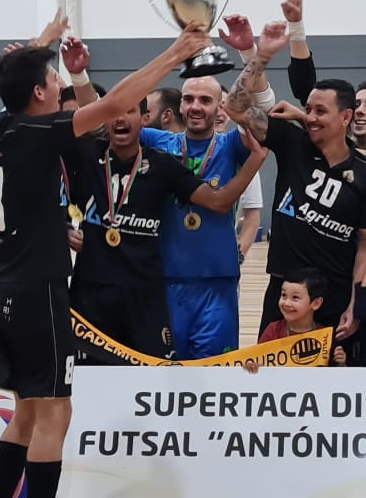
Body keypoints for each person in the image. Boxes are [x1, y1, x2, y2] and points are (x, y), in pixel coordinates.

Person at [0, 15, 213, 498]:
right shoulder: (38, 132)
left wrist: (40, 46)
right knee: (55, 412)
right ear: (39, 94)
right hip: (36, 293)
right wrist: (176, 52)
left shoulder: (2, 127)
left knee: (26, 412)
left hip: (4, 291)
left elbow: (25, 83)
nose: (58, 86)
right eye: (51, 78)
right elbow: (119, 100)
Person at [222, 22, 366, 342]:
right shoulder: (291, 142)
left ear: (346, 117)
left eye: (320, 111)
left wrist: (357, 303)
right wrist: (261, 56)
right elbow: (234, 107)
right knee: (271, 384)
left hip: (334, 297)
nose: (309, 117)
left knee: (332, 386)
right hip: (283, 294)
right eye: (308, 109)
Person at [72, 92, 262, 360]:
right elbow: (47, 190)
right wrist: (62, 228)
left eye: (129, 112)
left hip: (146, 296)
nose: (120, 120)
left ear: (145, 120)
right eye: (113, 112)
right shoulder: (87, 155)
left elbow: (218, 202)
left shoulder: (163, 165)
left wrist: (256, 159)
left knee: (154, 377)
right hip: (91, 295)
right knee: (88, 382)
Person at [142, 72, 259, 360]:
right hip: (165, 280)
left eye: (206, 100)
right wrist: (78, 75)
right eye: (189, 99)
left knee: (213, 375)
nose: (196, 106)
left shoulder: (231, 144)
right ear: (180, 106)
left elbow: (263, 128)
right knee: (165, 375)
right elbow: (105, 121)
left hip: (217, 283)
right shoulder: (158, 141)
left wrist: (255, 57)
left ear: (221, 108)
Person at [246, 272, 344, 369]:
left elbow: (335, 377)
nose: (287, 303)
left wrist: (341, 363)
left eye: (295, 297)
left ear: (316, 303)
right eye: (284, 295)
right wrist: (254, 365)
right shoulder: (273, 330)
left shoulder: (326, 337)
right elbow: (258, 364)